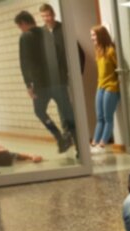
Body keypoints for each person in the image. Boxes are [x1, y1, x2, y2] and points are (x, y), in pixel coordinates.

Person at [14, 10, 72, 153]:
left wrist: (28, 84)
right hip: (57, 81)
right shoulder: (47, 32)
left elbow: (24, 63)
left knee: (40, 112)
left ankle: (59, 137)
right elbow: (58, 53)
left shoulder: (25, 37)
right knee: (67, 112)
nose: (20, 29)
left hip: (41, 85)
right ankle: (75, 143)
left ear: (23, 23)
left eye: (19, 26)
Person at [38, 3, 79, 150]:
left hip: (63, 77)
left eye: (48, 15)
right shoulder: (40, 33)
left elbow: (77, 51)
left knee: (65, 109)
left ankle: (71, 138)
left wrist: (77, 73)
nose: (46, 19)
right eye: (43, 16)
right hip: (48, 80)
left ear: (54, 14)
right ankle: (66, 137)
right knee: (52, 109)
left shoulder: (64, 29)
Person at [89, 25, 120, 153]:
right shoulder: (98, 51)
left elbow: (119, 68)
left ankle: (102, 145)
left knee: (108, 118)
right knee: (100, 117)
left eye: (94, 35)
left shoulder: (111, 51)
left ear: (101, 35)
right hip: (100, 86)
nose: (92, 38)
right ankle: (94, 143)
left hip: (111, 87)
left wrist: (116, 83)